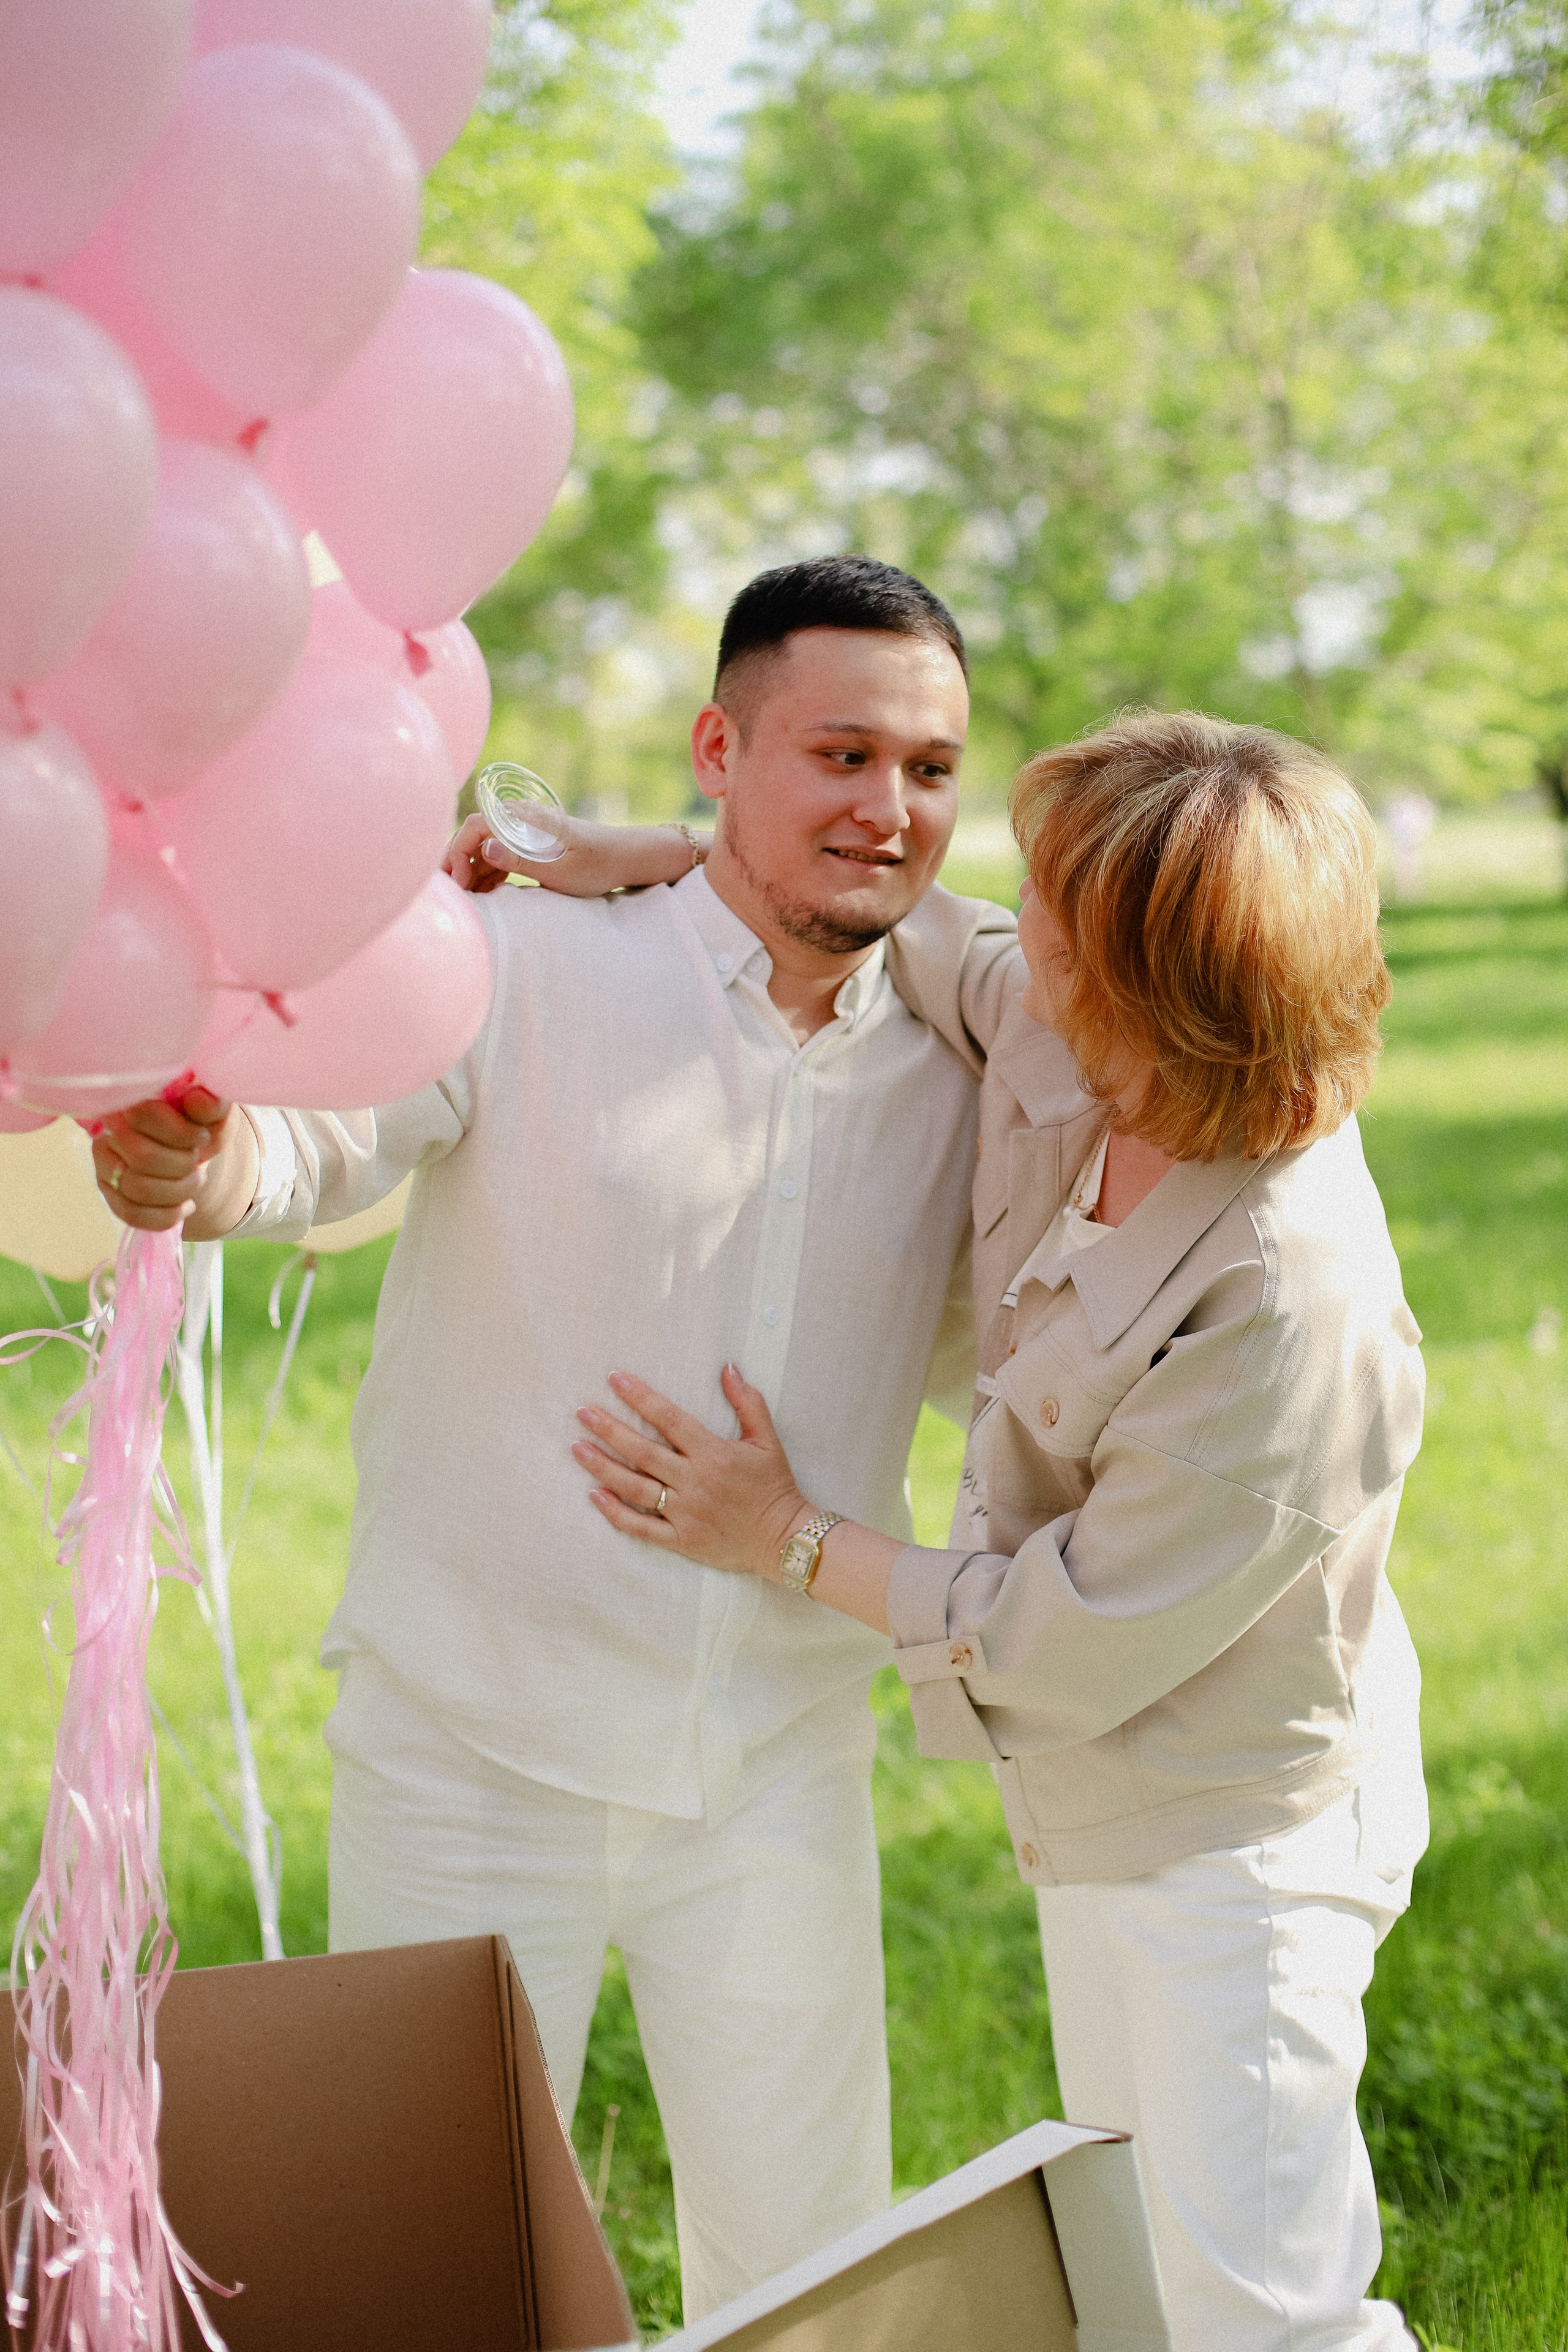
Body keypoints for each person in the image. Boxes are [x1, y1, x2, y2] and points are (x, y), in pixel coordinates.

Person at [93, 556, 1025, 2322]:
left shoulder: (961, 1051)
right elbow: (320, 1147)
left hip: (774, 1765)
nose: (887, 809)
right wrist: (198, 1163)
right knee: (420, 2265)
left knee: (815, 2276)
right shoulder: (520, 957)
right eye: (839, 756)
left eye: (927, 769)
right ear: (715, 751)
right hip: (472, 1751)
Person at [574, 711, 1429, 2350]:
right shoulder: (1078, 1035)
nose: (1008, 914)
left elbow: (1061, 1633)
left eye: (1051, 908)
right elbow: (943, 948)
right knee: (1152, 2263)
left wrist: (788, 1537)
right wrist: (673, 863)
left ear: (1147, 992)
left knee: (1267, 2308)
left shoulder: (1287, 1299)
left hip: (1233, 1837)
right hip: (1112, 1807)